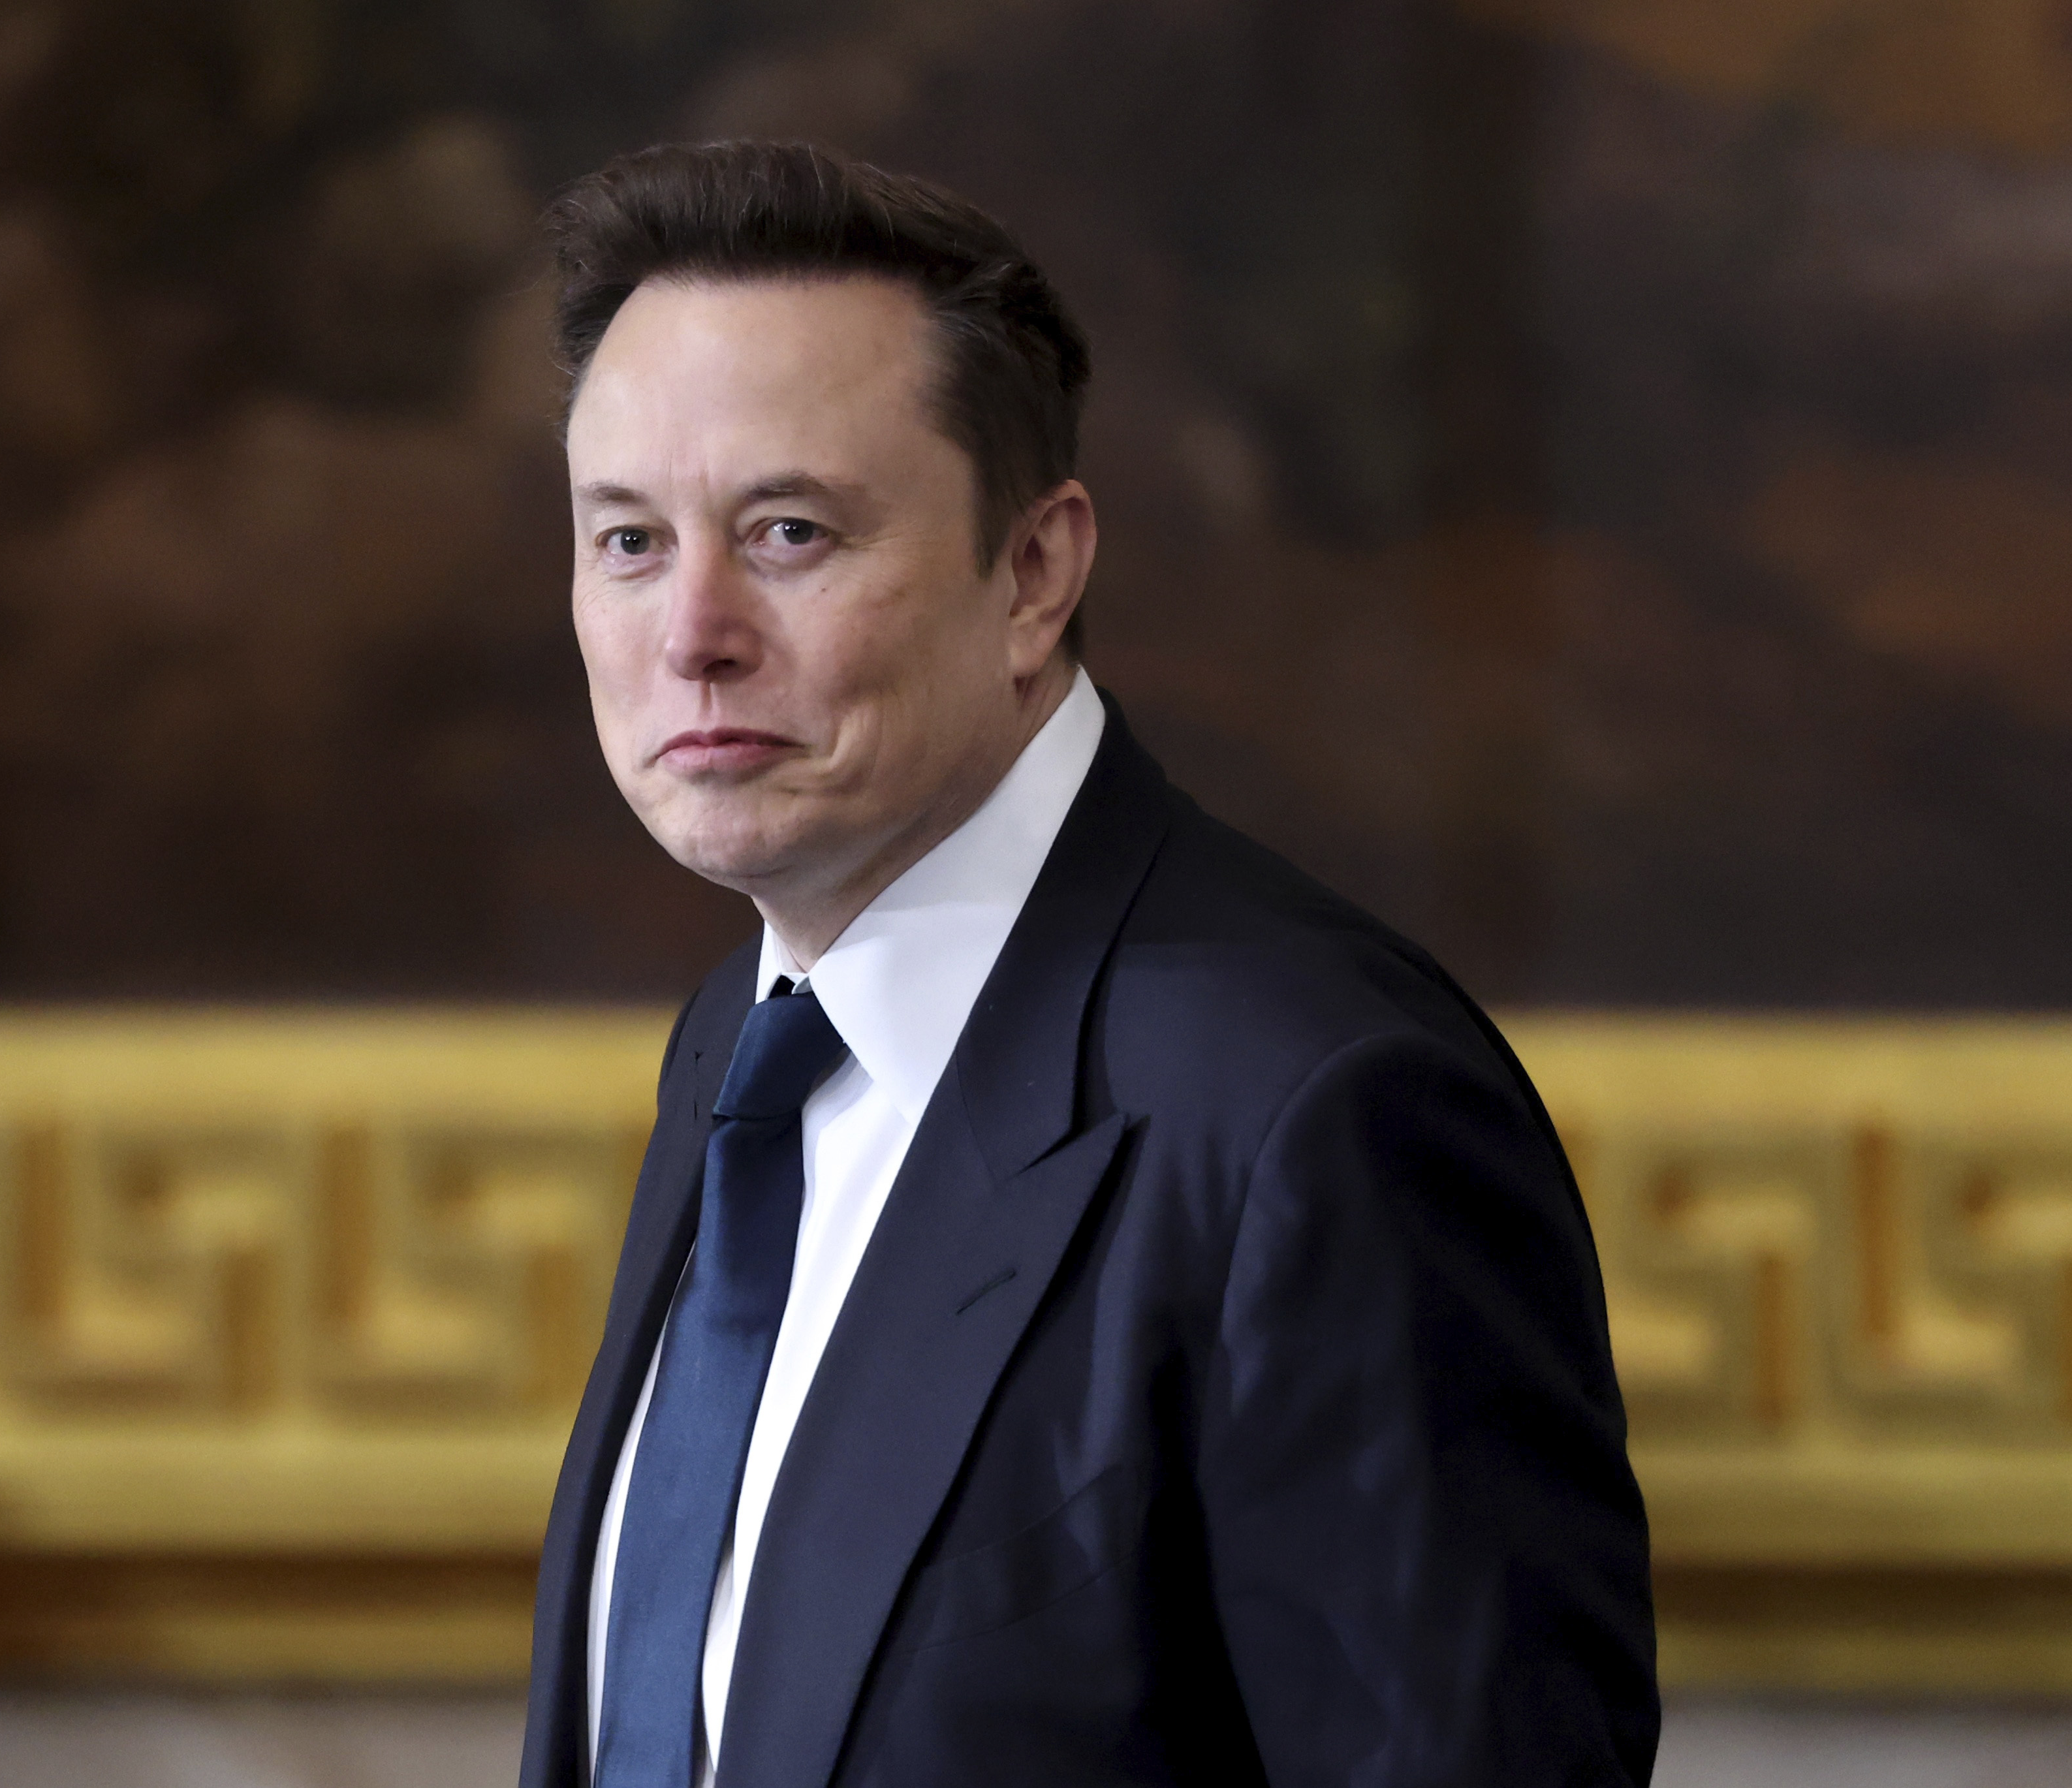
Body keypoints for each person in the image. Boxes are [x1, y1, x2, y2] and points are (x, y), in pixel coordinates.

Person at [520, 140, 1657, 1788]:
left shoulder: (1320, 1109)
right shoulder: (743, 1045)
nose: (689, 629)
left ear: (1034, 571)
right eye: (629, 540)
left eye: (786, 532)